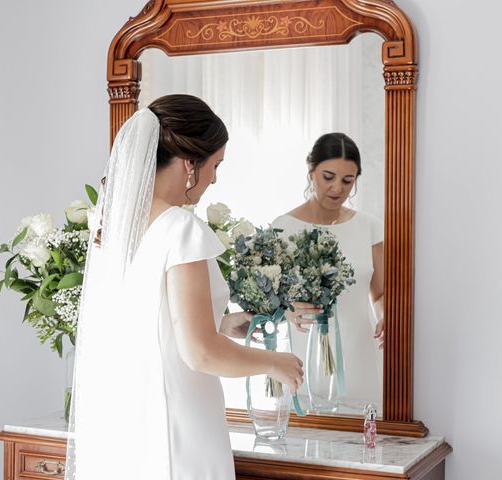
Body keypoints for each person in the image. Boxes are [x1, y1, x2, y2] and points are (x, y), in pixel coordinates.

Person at [65, 94, 304, 480]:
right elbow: (200, 354)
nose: (215, 178)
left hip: (129, 431)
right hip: (179, 429)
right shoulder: (182, 228)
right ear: (190, 165)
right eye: (216, 165)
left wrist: (224, 325)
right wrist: (276, 363)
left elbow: (148, 322)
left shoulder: (112, 228)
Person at [271, 132, 384, 413]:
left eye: (348, 181)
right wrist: (287, 310)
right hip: (303, 357)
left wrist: (386, 317)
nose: (337, 188)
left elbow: (381, 293)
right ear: (311, 172)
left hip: (361, 356)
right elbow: (270, 302)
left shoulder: (369, 226)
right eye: (328, 177)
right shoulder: (283, 227)